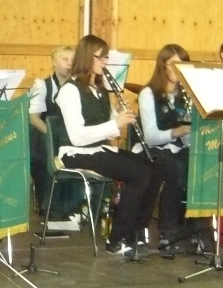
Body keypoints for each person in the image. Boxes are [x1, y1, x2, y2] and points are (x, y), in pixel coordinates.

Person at [54, 35, 166, 258]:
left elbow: (108, 130)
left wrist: (118, 117)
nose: (104, 62)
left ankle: (137, 232)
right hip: (75, 153)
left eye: (105, 57)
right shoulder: (69, 91)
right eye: (100, 57)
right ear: (87, 57)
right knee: (138, 173)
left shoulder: (99, 89)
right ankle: (116, 240)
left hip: (99, 150)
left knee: (154, 168)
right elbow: (77, 137)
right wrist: (115, 123)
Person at [138, 44, 209, 258]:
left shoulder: (187, 95)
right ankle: (167, 232)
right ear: (162, 66)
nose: (178, 70)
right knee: (174, 169)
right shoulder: (148, 94)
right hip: (153, 149)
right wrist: (176, 131)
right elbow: (150, 136)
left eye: (182, 65)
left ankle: (198, 229)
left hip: (179, 147)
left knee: (201, 165)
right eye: (173, 65)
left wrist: (192, 135)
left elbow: (188, 137)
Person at [29, 45, 82, 223]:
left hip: (69, 137)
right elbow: (33, 118)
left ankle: (73, 204)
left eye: (72, 60)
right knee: (47, 154)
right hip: (44, 136)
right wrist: (53, 137)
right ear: (54, 61)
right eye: (65, 59)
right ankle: (50, 205)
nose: (69, 64)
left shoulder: (78, 87)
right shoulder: (42, 85)